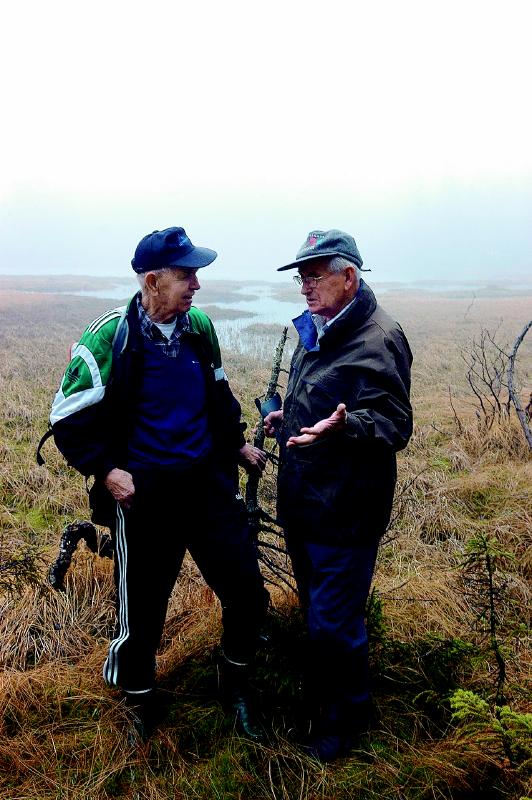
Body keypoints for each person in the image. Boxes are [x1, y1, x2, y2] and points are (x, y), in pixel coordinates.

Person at [49, 226, 270, 740]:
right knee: (143, 610)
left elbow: (218, 394)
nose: (197, 285)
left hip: (206, 488)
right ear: (152, 281)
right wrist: (107, 470)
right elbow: (66, 417)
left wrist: (235, 443)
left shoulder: (199, 328)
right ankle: (139, 699)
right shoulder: (109, 336)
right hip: (144, 498)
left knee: (245, 591)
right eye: (187, 274)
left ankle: (234, 682)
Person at [264, 229, 413, 762]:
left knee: (334, 624)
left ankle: (343, 726)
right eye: (301, 278)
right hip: (306, 506)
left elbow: (395, 424)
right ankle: (334, 700)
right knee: (319, 615)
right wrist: (289, 417)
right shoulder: (321, 327)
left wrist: (346, 426)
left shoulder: (379, 338)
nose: (305, 286)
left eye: (314, 275)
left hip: (346, 512)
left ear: (348, 276)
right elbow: (322, 398)